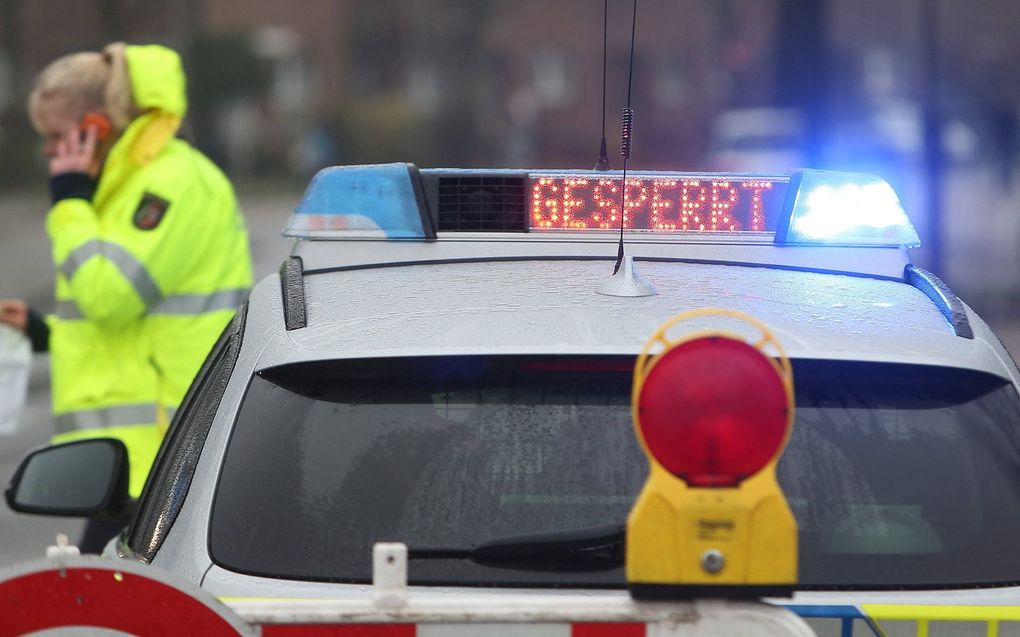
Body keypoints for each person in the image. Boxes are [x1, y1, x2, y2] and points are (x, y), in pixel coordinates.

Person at [0, 43, 252, 550]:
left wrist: (69, 204)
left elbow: (110, 297)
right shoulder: (129, 185)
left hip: (166, 451)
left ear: (94, 127)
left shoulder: (168, 182)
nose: (49, 151)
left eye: (55, 136)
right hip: (139, 457)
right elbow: (133, 314)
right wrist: (45, 331)